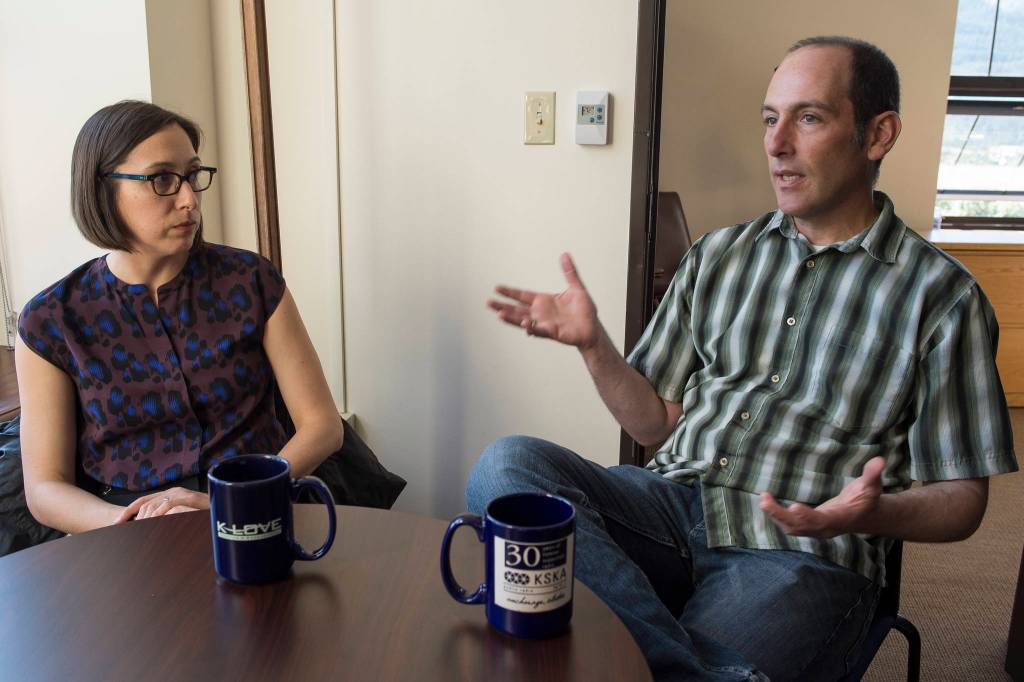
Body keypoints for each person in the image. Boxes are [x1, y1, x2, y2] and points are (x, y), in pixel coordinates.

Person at [473, 36, 1018, 681]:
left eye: (808, 118)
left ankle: (642, 648)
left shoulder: (943, 298)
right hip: (668, 506)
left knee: (568, 636)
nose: (776, 143)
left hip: (798, 551)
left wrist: (876, 513)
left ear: (879, 134)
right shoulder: (718, 256)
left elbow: (963, 499)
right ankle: (681, 662)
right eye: (769, 118)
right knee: (508, 465)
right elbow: (654, 425)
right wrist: (596, 348)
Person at [17, 101, 342, 534]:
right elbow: (44, 487)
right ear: (101, 189)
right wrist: (135, 524)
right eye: (163, 180)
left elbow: (322, 425)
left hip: (254, 510)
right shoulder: (51, 320)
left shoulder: (250, 281)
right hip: (124, 534)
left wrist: (230, 501)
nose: (189, 199)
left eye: (192, 176)